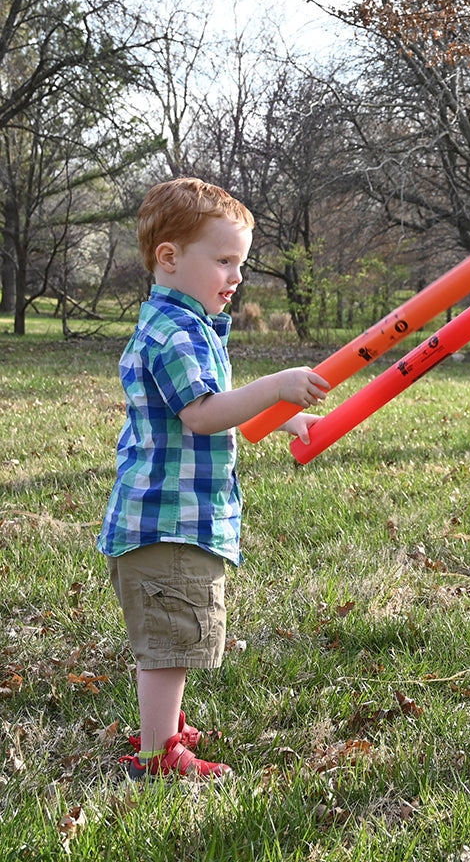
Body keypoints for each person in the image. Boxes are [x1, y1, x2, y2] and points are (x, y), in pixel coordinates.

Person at [99, 178, 331, 779]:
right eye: (224, 260)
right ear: (170, 258)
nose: (236, 277)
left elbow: (217, 402)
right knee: (170, 644)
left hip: (175, 517)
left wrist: (284, 417)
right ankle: (157, 754)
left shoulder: (187, 324)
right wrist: (275, 385)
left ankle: (164, 725)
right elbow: (202, 415)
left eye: (241, 263)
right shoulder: (174, 332)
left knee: (171, 637)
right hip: (168, 522)